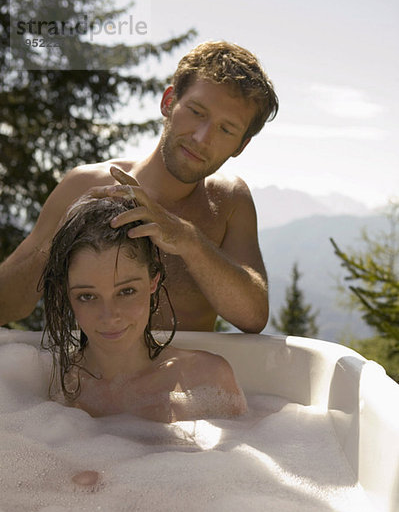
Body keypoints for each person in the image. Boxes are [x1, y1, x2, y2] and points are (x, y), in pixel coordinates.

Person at [0, 40, 278, 332]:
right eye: (196, 111)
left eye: (226, 129)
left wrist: (187, 238)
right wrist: (59, 239)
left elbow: (253, 317)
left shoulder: (230, 201)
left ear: (241, 146)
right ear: (169, 102)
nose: (201, 137)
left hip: (189, 376)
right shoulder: (84, 185)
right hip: (91, 375)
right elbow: (6, 306)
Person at [41, 195, 247, 423]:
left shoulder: (208, 379)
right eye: (87, 296)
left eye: (126, 291)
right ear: (66, 293)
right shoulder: (50, 386)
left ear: (153, 281)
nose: (109, 316)